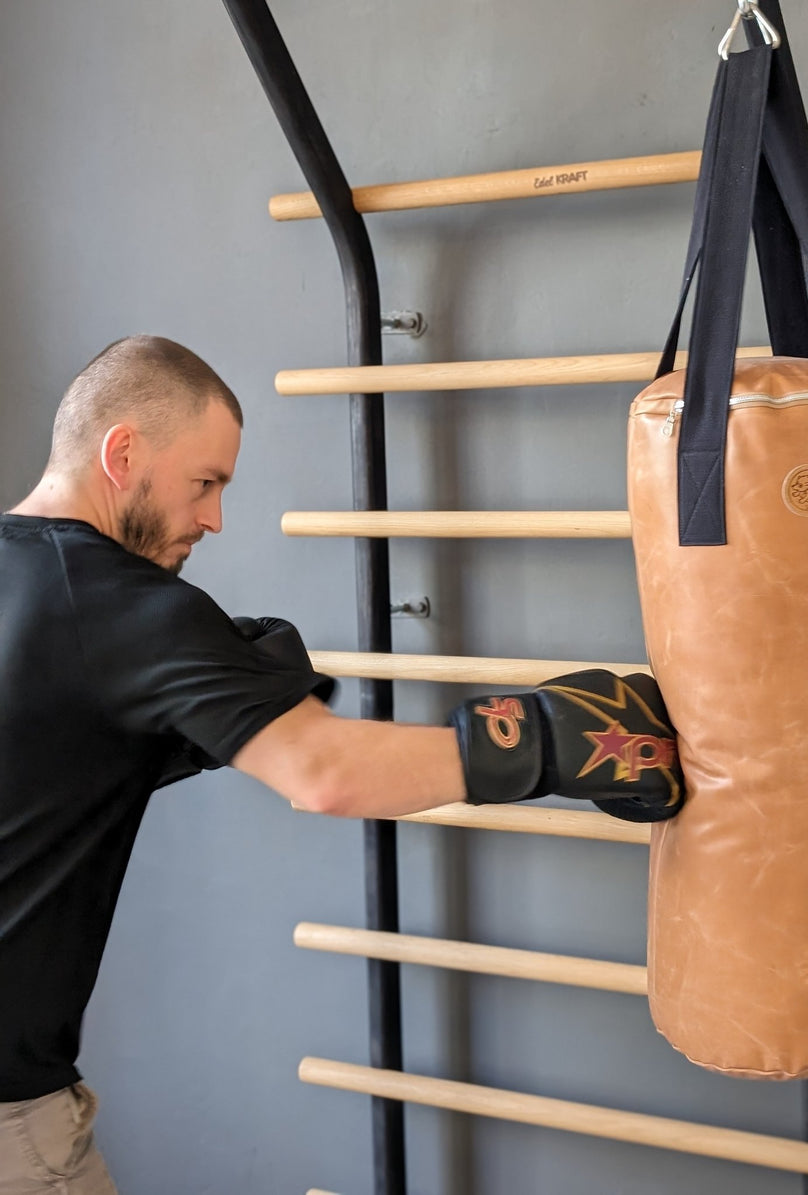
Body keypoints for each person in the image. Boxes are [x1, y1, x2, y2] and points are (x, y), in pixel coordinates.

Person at [0, 335, 682, 1193]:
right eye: (204, 482)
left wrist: (170, 727)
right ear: (123, 452)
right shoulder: (119, 603)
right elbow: (327, 772)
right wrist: (550, 740)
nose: (213, 517)